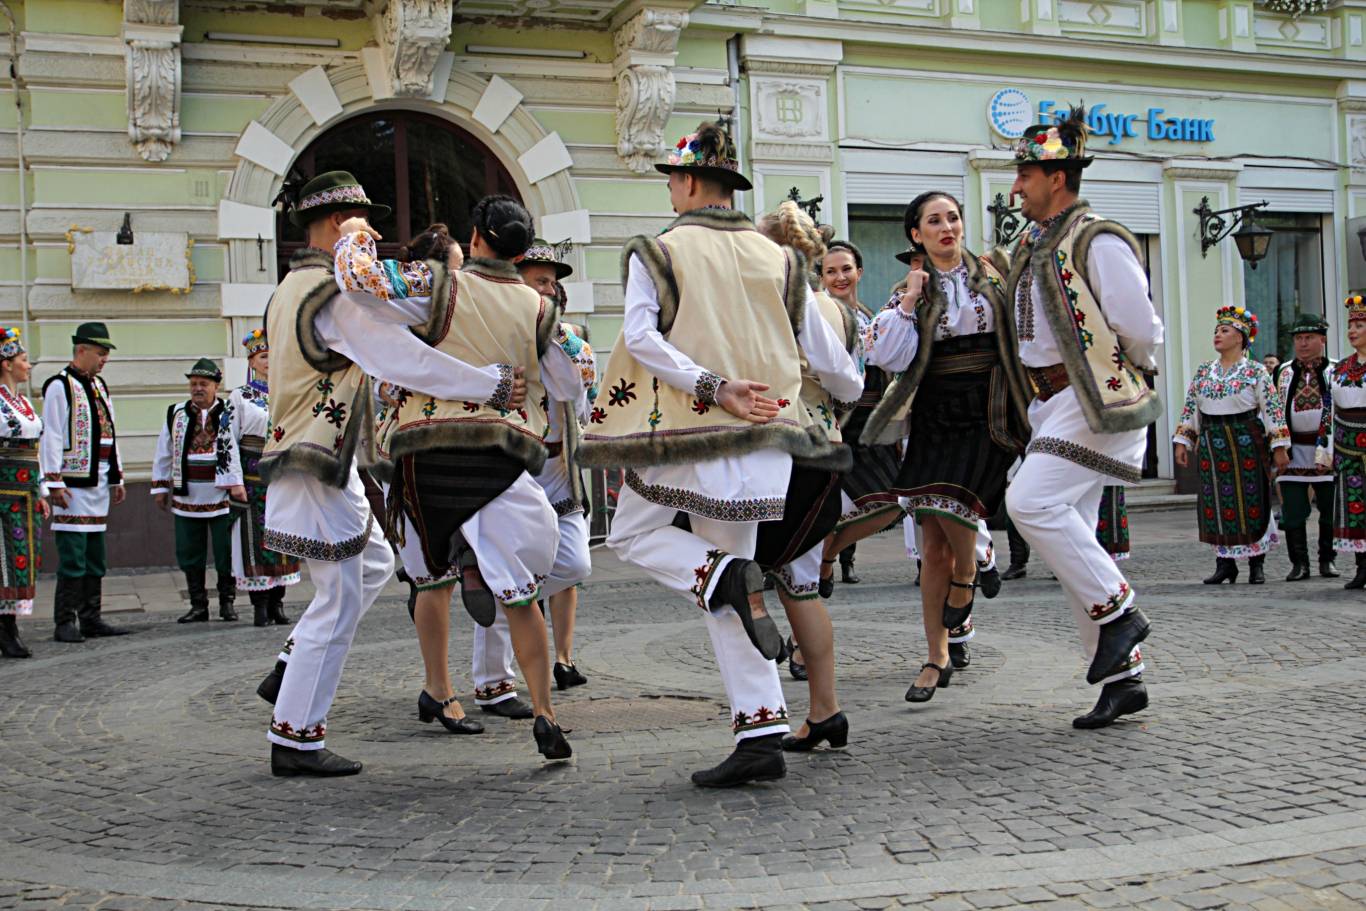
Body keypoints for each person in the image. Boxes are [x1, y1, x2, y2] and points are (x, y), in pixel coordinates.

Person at [578, 122, 862, 787]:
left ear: (684, 183)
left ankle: (747, 675)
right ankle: (759, 726)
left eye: (672, 178)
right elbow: (833, 361)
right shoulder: (783, 261)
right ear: (727, 187)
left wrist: (713, 386)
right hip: (769, 447)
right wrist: (843, 400)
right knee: (722, 566)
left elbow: (641, 339)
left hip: (691, 438)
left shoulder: (658, 250)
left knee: (635, 533)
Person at [255, 170, 519, 777]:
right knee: (339, 595)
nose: (371, 230)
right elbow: (397, 356)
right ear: (334, 223)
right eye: (361, 219)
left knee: (373, 563)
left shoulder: (291, 286)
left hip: (326, 455)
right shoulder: (329, 292)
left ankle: (288, 671)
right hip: (315, 456)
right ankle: (295, 737)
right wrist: (491, 384)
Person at [356, 198, 582, 759]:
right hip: (499, 459)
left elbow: (360, 283)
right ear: (522, 249)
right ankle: (544, 711)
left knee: (429, 580)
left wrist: (352, 235)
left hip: (424, 452)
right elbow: (576, 380)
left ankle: (439, 686)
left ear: (475, 235)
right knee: (523, 594)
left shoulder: (440, 284)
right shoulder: (538, 306)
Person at [1001, 107, 1165, 729]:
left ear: (1057, 177)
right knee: (1074, 536)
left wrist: (1122, 374)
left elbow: (1142, 328)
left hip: (1091, 396)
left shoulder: (1096, 237)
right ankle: (1124, 679)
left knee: (1030, 504)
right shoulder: (1036, 240)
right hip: (1052, 402)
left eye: (1026, 173)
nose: (1017, 186)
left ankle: (1121, 613)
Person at [862, 191, 1031, 705]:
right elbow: (887, 356)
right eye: (933, 221)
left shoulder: (995, 275)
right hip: (934, 412)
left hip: (988, 409)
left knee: (954, 500)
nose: (946, 228)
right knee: (930, 544)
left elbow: (1025, 332)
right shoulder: (906, 292)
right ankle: (936, 654)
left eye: (952, 218)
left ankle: (967, 573)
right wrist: (912, 298)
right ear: (916, 234)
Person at [469, 239, 596, 716]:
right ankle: (494, 682)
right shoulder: (494, 334)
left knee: (575, 564)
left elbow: (580, 396)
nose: (551, 289)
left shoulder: (570, 337)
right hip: (510, 469)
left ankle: (493, 591)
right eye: (540, 280)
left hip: (561, 469)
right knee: (507, 572)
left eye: (553, 282)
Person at [754, 200, 859, 752]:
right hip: (820, 444)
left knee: (737, 572)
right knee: (800, 585)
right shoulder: (826, 306)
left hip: (767, 446)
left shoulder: (757, 299)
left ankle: (761, 716)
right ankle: (825, 710)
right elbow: (848, 382)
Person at [1174, 306, 1290, 584]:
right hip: (1213, 442)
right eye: (1216, 330)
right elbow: (1191, 408)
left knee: (1253, 498)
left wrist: (1279, 445)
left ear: (1240, 337)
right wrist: (1183, 441)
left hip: (1246, 439)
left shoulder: (1255, 371)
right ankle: (1225, 563)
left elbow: (1272, 409)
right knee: (1216, 500)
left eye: (1224, 331)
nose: (1218, 335)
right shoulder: (1204, 372)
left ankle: (1256, 563)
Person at [815, 240, 904, 598]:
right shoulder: (818, 316)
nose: (840, 277)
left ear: (859, 272)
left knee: (890, 503)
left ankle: (827, 553)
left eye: (846, 269)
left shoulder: (870, 315)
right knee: (827, 502)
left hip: (872, 422)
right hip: (837, 420)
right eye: (831, 271)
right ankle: (816, 559)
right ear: (821, 277)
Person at [40, 321, 131, 642]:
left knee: (95, 556)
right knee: (73, 556)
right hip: (72, 486)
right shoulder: (59, 385)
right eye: (100, 353)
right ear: (81, 350)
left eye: (106, 353)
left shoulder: (99, 386)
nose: (104, 359)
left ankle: (91, 617)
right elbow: (50, 433)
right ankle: (64, 621)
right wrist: (53, 481)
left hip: (97, 484)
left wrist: (117, 475)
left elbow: (109, 432)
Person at [216, 330, 300, 627]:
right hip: (252, 481)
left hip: (282, 478)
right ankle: (260, 606)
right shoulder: (239, 397)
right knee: (254, 540)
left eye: (273, 357)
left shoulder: (287, 393)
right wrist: (233, 481)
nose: (269, 362)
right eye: (264, 357)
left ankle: (278, 602)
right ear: (252, 361)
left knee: (284, 539)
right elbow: (226, 439)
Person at [151, 359, 238, 623]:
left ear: (216, 386)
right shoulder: (176, 413)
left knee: (227, 552)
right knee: (190, 552)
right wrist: (159, 486)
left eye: (203, 384)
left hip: (222, 496)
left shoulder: (229, 412)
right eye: (193, 384)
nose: (197, 388)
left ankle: (227, 602)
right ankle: (198, 604)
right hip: (186, 495)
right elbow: (163, 451)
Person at [1272, 313, 1337, 581]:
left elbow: (1333, 410)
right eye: (1298, 338)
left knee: (1330, 509)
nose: (1303, 343)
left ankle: (1327, 560)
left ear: (1322, 339)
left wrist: (1329, 448)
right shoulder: (1283, 371)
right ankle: (1299, 563)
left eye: (1309, 337)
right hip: (1292, 449)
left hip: (1326, 449)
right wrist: (1278, 446)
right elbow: (1275, 411)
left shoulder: (1336, 369)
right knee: (1293, 511)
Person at [0, 329, 48, 659]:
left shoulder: (23, 403)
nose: (28, 366)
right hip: (3, 493)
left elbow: (36, 450)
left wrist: (41, 490)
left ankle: (10, 625)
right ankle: (5, 631)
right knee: (3, 561)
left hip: (24, 494)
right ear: (6, 365)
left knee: (22, 558)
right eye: (23, 360)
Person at [1319, 293, 1366, 589]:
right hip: (1347, 444)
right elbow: (1328, 410)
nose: (1352, 331)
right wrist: (1324, 450)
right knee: (1354, 506)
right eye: (1350, 326)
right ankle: (1362, 567)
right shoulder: (1338, 369)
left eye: (1359, 326)